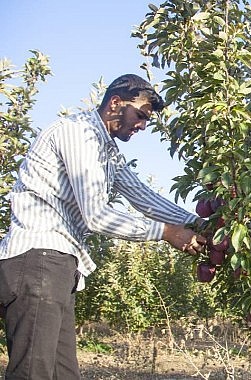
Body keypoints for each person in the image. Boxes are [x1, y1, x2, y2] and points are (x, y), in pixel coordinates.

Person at [0, 74, 207, 379]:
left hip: (58, 266)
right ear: (115, 103)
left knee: (63, 373)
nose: (142, 126)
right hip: (37, 259)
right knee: (33, 372)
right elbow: (96, 215)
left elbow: (142, 196)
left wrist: (194, 221)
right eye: (140, 115)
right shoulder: (78, 133)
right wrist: (165, 232)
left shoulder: (105, 151)